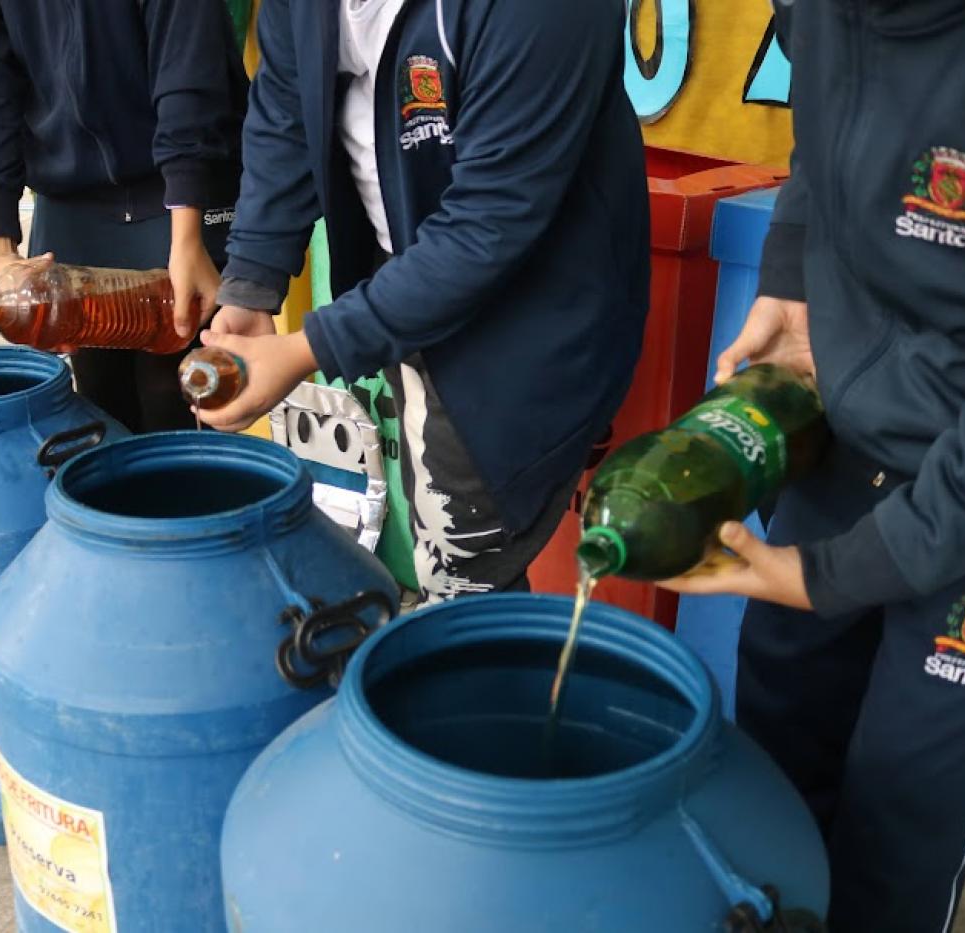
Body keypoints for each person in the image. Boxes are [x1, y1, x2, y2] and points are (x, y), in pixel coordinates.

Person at [666, 2, 965, 929]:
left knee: (901, 809)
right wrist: (789, 276)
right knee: (779, 736)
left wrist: (836, 574)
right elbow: (823, 136)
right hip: (850, 437)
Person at [199, 0, 650, 602]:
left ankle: (479, 675)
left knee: (466, 566)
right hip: (402, 279)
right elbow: (284, 111)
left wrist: (312, 348)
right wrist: (253, 281)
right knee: (418, 535)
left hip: (526, 316)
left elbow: (488, 227)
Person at [0, 0, 248, 434]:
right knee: (102, 404)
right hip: (72, 195)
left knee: (177, 397)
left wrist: (187, 232)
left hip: (185, 184)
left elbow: (187, 68)